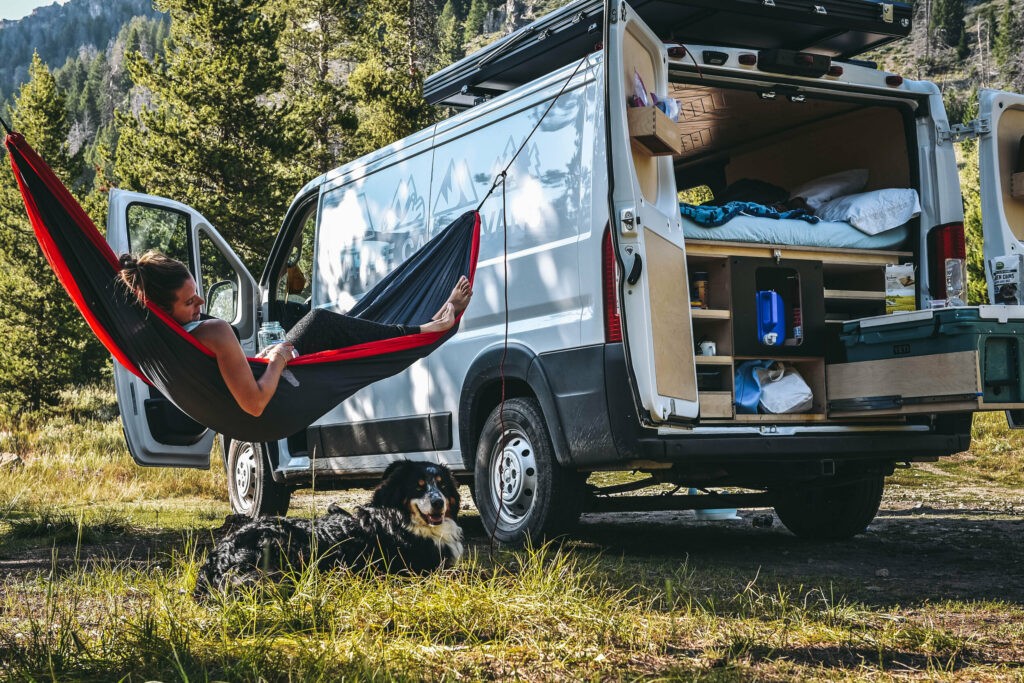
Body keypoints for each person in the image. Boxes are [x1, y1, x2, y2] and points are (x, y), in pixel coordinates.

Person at [117, 250, 472, 418]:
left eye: (198, 293)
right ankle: (426, 328)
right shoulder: (214, 330)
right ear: (163, 309)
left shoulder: (164, 336)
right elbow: (255, 404)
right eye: (189, 301)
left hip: (265, 380)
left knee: (346, 327)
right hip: (277, 394)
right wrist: (277, 359)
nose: (200, 302)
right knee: (321, 322)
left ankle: (418, 327)